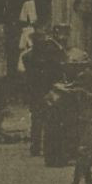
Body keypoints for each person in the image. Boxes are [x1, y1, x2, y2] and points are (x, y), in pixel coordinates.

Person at [54, 48, 92, 184]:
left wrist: (81, 92)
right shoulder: (80, 76)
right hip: (79, 118)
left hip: (89, 119)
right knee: (82, 154)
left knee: (83, 153)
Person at [21, 26, 65, 156]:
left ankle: (35, 147)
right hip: (47, 90)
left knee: (36, 119)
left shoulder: (27, 56)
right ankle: (46, 147)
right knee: (48, 119)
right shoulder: (50, 56)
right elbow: (59, 66)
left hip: (34, 91)